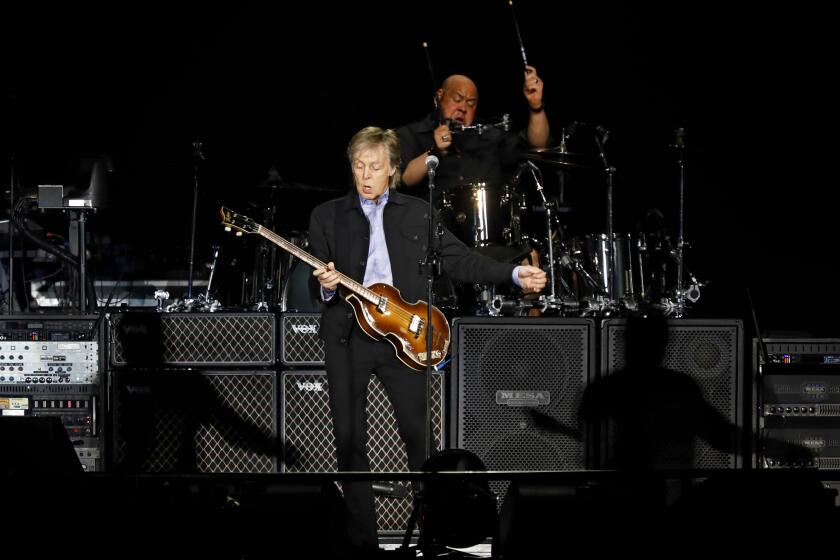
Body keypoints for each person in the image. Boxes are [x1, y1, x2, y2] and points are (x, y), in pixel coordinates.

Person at [308, 126, 546, 555]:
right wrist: (326, 286)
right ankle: (363, 544)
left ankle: (431, 536)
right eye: (359, 166)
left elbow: (458, 260)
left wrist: (512, 274)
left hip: (404, 335)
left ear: (394, 170)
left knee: (418, 436)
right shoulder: (327, 215)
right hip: (347, 337)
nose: (366, 175)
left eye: (376, 167)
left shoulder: (418, 213)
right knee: (348, 439)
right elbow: (319, 288)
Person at [397, 66, 550, 191]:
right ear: (439, 97)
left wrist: (536, 106)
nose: (463, 108)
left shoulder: (490, 136)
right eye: (457, 99)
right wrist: (435, 152)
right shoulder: (412, 134)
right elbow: (403, 180)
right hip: (432, 225)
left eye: (471, 104)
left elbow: (538, 145)